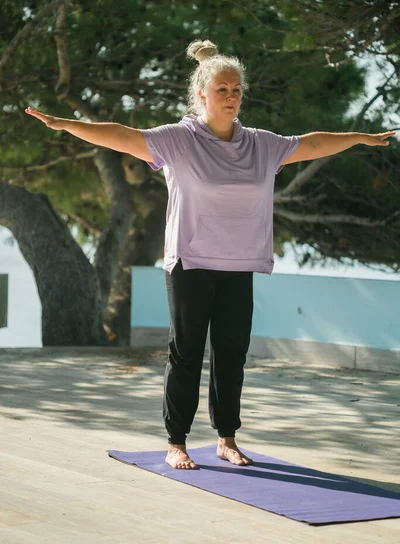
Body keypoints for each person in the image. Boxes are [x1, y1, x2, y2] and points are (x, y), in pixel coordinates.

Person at [26, 39, 395, 470]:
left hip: (238, 264)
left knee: (231, 353)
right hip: (190, 262)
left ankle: (226, 438)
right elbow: (123, 137)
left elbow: (311, 144)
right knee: (185, 352)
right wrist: (65, 124)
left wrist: (361, 139)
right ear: (201, 93)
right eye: (222, 89)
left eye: (237, 90)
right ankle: (176, 441)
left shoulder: (261, 144)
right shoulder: (179, 140)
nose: (232, 97)